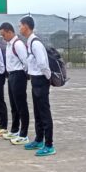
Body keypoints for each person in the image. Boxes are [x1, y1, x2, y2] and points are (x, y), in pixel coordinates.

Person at [19, 16, 55, 157]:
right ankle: (39, 139)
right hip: (35, 80)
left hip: (41, 80)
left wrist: (47, 78)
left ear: (26, 26)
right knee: (38, 112)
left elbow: (42, 64)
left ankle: (49, 145)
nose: (19, 28)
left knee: (44, 113)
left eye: (20, 25)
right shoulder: (30, 42)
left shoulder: (35, 43)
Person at [0, 22, 30, 145]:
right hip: (11, 75)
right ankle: (15, 129)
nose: (3, 37)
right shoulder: (9, 44)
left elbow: (26, 62)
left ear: (10, 32)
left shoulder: (17, 44)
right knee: (14, 105)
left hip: (18, 75)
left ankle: (24, 134)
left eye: (3, 35)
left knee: (21, 105)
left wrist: (23, 75)